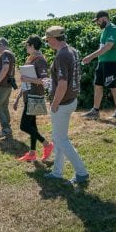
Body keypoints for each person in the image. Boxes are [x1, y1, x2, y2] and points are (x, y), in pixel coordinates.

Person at [41, 26, 89, 184]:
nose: (47, 42)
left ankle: (81, 172)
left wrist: (54, 104)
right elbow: (68, 78)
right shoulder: (72, 51)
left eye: (47, 39)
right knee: (59, 137)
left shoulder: (61, 55)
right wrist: (51, 82)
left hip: (62, 103)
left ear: (54, 39)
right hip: (71, 99)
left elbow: (62, 84)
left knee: (60, 139)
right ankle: (57, 172)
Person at [13, 35, 54, 163]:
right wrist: (18, 97)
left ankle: (47, 144)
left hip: (35, 95)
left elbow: (43, 81)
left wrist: (28, 79)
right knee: (32, 125)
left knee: (24, 125)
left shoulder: (40, 60)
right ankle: (32, 153)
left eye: (27, 45)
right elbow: (26, 80)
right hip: (28, 95)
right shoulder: (30, 59)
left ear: (32, 46)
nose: (25, 47)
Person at [81, 10, 116, 120]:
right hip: (102, 62)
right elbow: (102, 48)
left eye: (98, 21)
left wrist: (90, 57)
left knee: (113, 86)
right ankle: (95, 110)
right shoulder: (105, 30)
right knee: (98, 85)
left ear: (104, 18)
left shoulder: (113, 29)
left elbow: (107, 47)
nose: (97, 23)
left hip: (112, 62)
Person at [0, 37, 16, 138]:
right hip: (8, 84)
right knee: (4, 106)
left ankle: (6, 128)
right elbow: (6, 68)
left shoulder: (5, 53)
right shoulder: (10, 53)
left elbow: (5, 68)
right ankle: (7, 127)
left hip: (2, 85)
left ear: (1, 44)